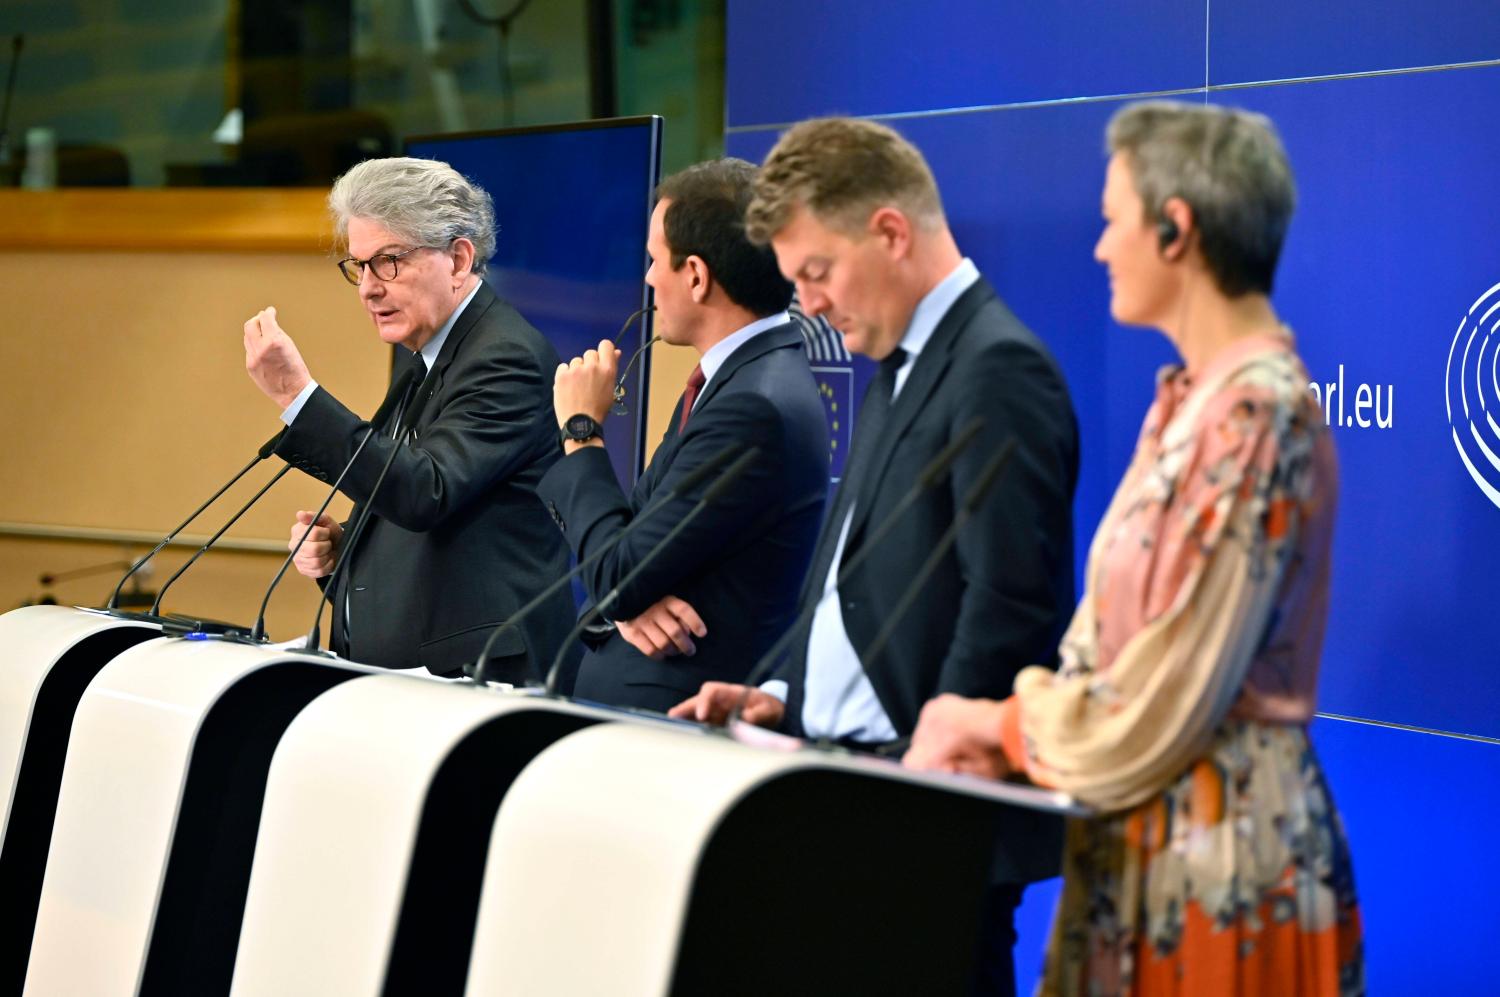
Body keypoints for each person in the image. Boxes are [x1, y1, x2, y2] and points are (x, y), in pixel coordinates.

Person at [905, 101, 1364, 995]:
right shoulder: (1188, 403)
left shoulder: (1258, 412)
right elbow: (1108, 652)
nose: (1099, 247)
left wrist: (1000, 725)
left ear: (1176, 227)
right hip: (1139, 843)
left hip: (1223, 865)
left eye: (1112, 220)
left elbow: (1166, 694)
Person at [669, 117, 1079, 996]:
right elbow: (859, 581)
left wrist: (926, 791)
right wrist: (783, 696)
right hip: (855, 796)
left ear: (891, 232)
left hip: (934, 821)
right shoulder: (900, 356)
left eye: (817, 273)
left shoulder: (997, 367)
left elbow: (1008, 606)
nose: (808, 304)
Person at [242, 156, 573, 679]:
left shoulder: (504, 357)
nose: (368, 287)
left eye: (389, 261)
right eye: (359, 265)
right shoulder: (428, 356)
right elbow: (426, 514)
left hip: (477, 686)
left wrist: (297, 396)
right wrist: (341, 553)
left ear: (459, 260)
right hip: (410, 684)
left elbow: (427, 490)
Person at [539, 158, 829, 712]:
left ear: (695, 275)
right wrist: (625, 600)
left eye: (654, 261)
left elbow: (616, 572)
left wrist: (581, 431)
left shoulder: (752, 405)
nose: (648, 279)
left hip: (676, 722)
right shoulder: (731, 380)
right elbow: (626, 565)